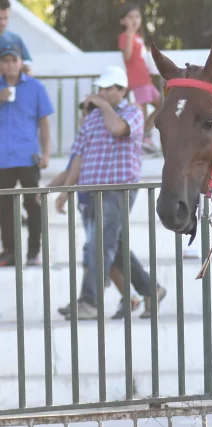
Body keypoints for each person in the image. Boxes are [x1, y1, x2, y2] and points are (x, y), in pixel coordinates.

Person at [59, 65, 165, 319]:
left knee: (100, 245)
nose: (103, 93)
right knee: (114, 247)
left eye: (108, 88)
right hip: (92, 191)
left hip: (118, 190)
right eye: (101, 89)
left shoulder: (133, 112)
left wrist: (103, 105)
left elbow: (118, 129)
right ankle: (152, 290)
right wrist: (64, 191)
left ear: (122, 90)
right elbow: (79, 156)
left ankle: (90, 302)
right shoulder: (92, 118)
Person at [0, 44, 52, 267]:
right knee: (4, 207)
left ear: (21, 63)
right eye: (6, 60)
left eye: (14, 60)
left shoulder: (35, 87)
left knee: (33, 205)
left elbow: (44, 122)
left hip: (28, 156)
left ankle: (34, 253)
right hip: (2, 159)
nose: (10, 65)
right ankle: (9, 252)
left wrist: (47, 153)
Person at [118, 3, 160, 154]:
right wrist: (129, 35)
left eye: (137, 16)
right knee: (140, 113)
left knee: (162, 104)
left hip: (147, 81)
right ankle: (141, 142)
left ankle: (146, 135)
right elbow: (127, 56)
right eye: (130, 17)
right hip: (138, 83)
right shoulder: (125, 36)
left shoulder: (139, 37)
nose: (134, 20)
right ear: (123, 21)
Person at [0, 0, 32, 75]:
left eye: (6, 18)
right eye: (0, 19)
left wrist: (26, 68)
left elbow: (27, 64)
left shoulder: (15, 39)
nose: (3, 23)